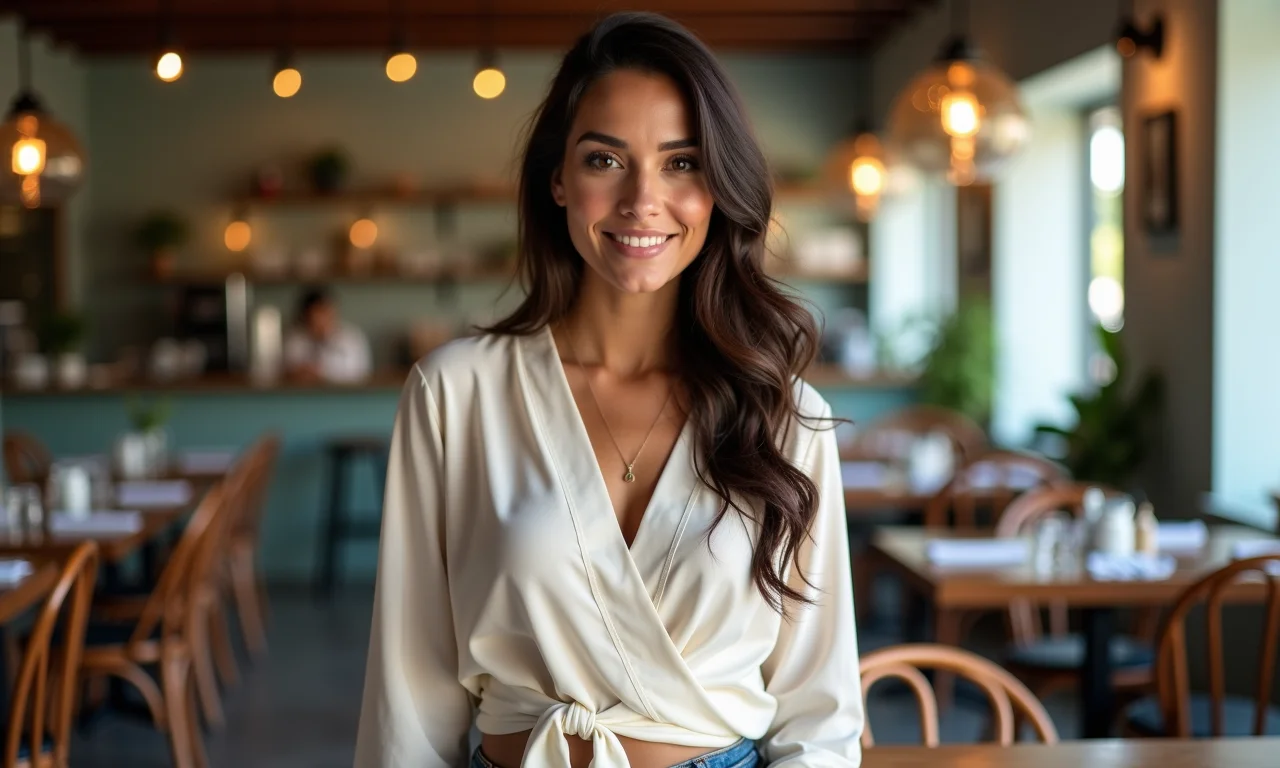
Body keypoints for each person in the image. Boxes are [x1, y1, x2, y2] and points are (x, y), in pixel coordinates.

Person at [355, 12, 862, 768]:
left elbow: (818, 715)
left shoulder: (786, 417)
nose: (641, 199)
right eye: (604, 160)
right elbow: (409, 692)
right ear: (557, 178)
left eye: (683, 162)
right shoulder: (455, 393)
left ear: (720, 188)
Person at [283, 287, 372, 384]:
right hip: (303, 396)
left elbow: (360, 372)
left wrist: (322, 372)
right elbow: (287, 370)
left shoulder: (352, 337)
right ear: (305, 316)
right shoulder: (294, 339)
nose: (322, 321)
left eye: (325, 313)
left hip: (346, 396)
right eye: (316, 316)